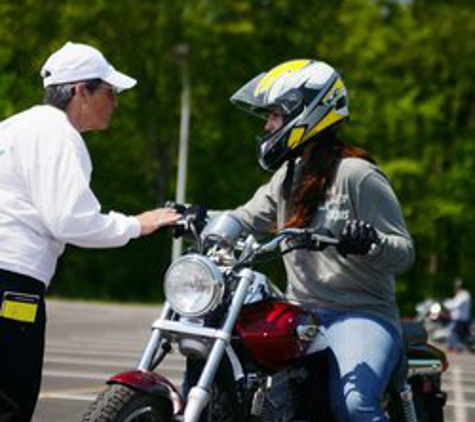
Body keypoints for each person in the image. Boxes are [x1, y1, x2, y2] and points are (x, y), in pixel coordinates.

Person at [0, 42, 180, 422]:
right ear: (81, 90)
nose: (115, 102)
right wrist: (138, 224)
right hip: (12, 286)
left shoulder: (13, 126)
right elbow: (70, 220)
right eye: (110, 92)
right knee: (9, 402)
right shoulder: (61, 136)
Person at [228, 59, 415, 421]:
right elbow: (246, 217)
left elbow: (405, 253)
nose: (267, 126)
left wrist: (371, 242)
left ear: (307, 111)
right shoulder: (287, 176)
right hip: (299, 312)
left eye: (274, 115)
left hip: (360, 312)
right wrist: (200, 219)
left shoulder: (358, 175)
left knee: (355, 404)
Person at [444, 278, 472, 352]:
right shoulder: (460, 295)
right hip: (458, 319)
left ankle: (454, 346)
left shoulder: (464, 294)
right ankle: (455, 346)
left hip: (461, 319)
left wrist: (446, 304)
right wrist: (446, 302)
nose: (456, 288)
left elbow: (455, 305)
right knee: (458, 334)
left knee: (452, 332)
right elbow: (453, 302)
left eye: (458, 286)